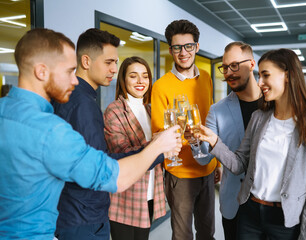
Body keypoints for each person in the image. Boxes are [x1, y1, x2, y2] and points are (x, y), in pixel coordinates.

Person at [0, 28, 180, 240]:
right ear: (41, 72)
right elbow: (114, 176)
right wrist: (159, 147)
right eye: (69, 71)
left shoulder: (7, 110)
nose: (75, 80)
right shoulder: (51, 130)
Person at [197, 48, 306, 239]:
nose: (260, 83)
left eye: (266, 75)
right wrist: (214, 141)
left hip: (284, 221)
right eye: (259, 76)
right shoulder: (259, 118)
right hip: (250, 214)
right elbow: (238, 164)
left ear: (288, 75)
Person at [52, 28, 166, 240]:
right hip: (84, 214)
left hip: (79, 211)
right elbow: (101, 167)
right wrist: (158, 149)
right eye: (109, 62)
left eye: (115, 62)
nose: (114, 68)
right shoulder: (84, 106)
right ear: (86, 61)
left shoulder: (78, 99)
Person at [151, 19, 220, 240]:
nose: (183, 52)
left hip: (207, 168)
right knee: (182, 235)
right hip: (179, 173)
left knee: (207, 232)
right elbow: (158, 134)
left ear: (196, 47)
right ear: (170, 50)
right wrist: (184, 138)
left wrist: (216, 161)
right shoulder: (161, 86)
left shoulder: (207, 79)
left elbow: (211, 123)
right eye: (177, 47)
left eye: (188, 46)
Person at [194, 41, 261, 240]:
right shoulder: (217, 110)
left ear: (251, 64)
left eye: (234, 65)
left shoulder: (273, 104)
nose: (229, 72)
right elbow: (203, 159)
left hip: (267, 203)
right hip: (234, 203)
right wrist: (195, 141)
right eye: (224, 67)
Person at [103, 56, 166, 239]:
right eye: (133, 76)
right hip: (126, 197)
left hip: (150, 192)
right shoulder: (114, 110)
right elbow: (122, 153)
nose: (141, 81)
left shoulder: (150, 110)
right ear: (123, 80)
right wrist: (159, 144)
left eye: (145, 76)